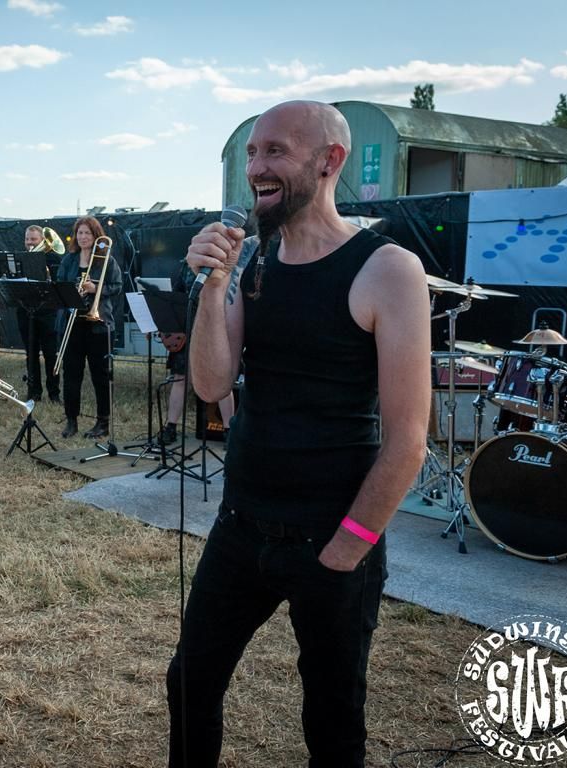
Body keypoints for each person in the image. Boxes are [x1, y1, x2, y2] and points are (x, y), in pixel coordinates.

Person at [167, 100, 430, 767]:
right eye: (252, 153)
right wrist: (212, 286)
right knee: (189, 683)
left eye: (276, 151)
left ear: (330, 160)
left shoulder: (387, 269)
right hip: (241, 526)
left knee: (332, 720)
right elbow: (210, 385)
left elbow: (408, 440)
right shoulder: (255, 262)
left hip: (332, 537)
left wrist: (347, 550)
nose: (256, 167)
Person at [158, 238, 258, 445]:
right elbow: (176, 296)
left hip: (216, 331)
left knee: (222, 380)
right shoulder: (186, 266)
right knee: (179, 379)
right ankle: (170, 427)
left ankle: (229, 429)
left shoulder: (232, 265)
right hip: (187, 331)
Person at [55, 216, 122, 439]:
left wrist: (95, 289)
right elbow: (60, 285)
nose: (83, 237)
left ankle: (103, 422)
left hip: (99, 325)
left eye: (87, 233)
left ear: (95, 235)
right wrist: (73, 291)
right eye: (80, 233)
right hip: (73, 323)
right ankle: (71, 420)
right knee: (71, 375)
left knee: (100, 375)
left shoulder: (106, 261)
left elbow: (117, 286)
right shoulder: (69, 260)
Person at [17, 225, 61, 404]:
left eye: (33, 239)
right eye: (27, 239)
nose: (30, 243)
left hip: (47, 311)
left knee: (51, 354)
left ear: (43, 240)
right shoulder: (20, 258)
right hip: (26, 311)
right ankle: (34, 392)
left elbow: (58, 284)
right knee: (31, 353)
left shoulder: (53, 258)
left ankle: (54, 393)